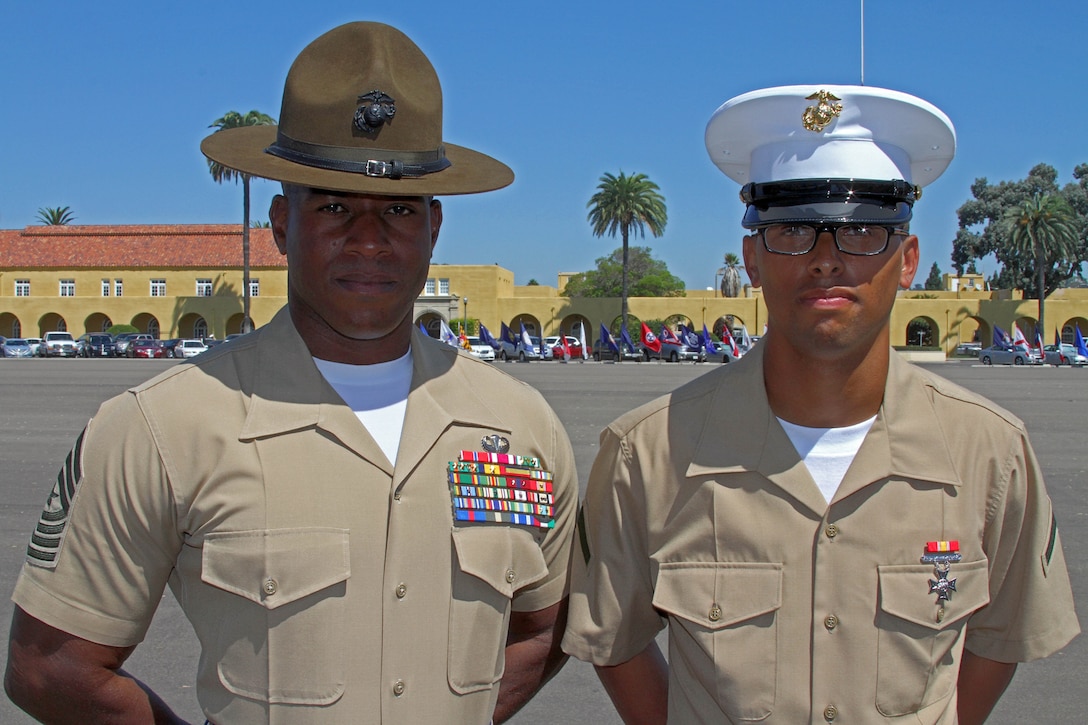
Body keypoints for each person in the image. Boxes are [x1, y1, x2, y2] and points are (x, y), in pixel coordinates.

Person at [6, 22, 575, 724]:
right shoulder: (164, 426)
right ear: (281, 224)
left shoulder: (518, 426)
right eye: (334, 206)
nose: (368, 238)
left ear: (434, 228)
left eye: (398, 209)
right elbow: (50, 666)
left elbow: (546, 627)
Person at [561, 85, 1079, 724]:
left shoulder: (991, 451)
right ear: (751, 258)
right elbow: (616, 644)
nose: (827, 260)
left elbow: (1002, 640)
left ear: (908, 259)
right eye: (793, 230)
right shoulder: (649, 452)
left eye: (863, 230)